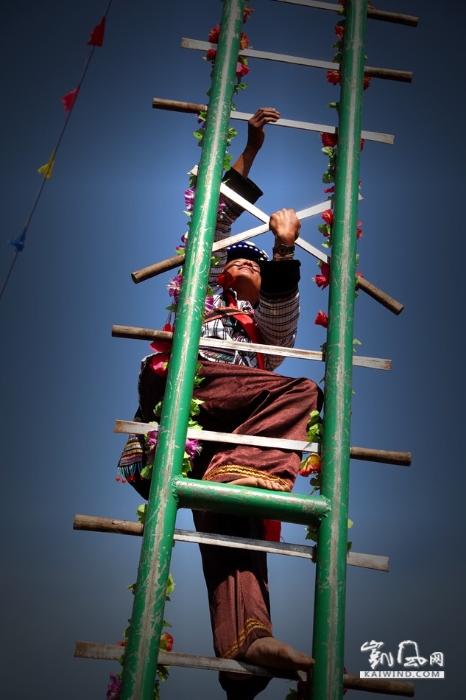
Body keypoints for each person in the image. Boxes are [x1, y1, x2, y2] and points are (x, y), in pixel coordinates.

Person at [118, 108, 324, 699]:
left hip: (234, 434)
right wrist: (251, 149)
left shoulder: (263, 328)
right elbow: (211, 219)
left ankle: (245, 648)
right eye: (235, 258)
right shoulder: (201, 298)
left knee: (233, 540)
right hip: (193, 397)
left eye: (251, 264)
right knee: (301, 394)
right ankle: (246, 469)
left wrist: (283, 249)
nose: (240, 262)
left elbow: (282, 325)